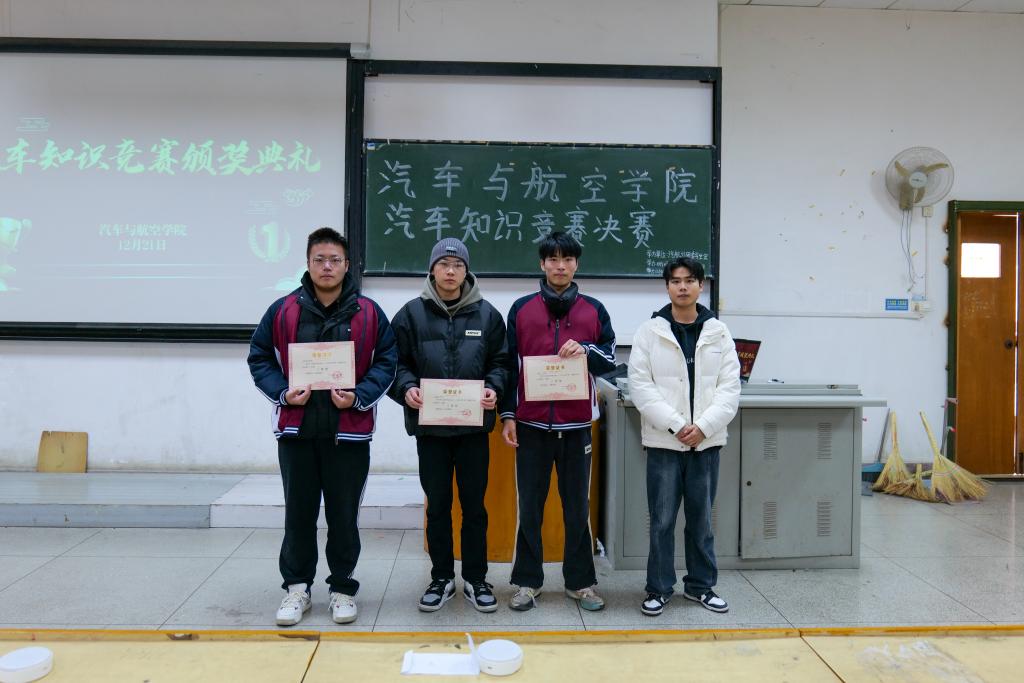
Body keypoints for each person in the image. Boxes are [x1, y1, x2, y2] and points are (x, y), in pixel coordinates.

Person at [248, 227, 397, 627]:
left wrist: (359, 396)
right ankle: (297, 588)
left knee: (344, 516)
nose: (327, 266)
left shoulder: (369, 312)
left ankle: (343, 588)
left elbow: (387, 362)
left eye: (335, 260)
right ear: (308, 263)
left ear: (347, 265)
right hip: (297, 432)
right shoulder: (283, 310)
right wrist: (283, 393)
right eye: (319, 260)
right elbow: (259, 357)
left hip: (348, 432)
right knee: (298, 514)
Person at [389, 237, 509, 613]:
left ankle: (475, 577)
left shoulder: (488, 315)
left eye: (458, 265)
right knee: (438, 507)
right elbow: (394, 363)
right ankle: (441, 578)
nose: (451, 271)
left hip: (473, 431)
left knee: (474, 507)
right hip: (431, 432)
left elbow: (502, 362)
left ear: (467, 271)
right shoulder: (410, 314)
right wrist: (406, 388)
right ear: (433, 270)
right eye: (444, 264)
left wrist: (494, 388)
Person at [499, 231, 617, 612]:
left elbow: (610, 360)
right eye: (553, 259)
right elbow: (507, 366)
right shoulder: (521, 309)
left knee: (577, 508)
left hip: (577, 427)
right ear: (542, 264)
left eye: (567, 259)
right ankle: (527, 582)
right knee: (530, 509)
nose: (560, 266)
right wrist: (508, 415)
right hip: (531, 426)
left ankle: (580, 583)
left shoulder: (594, 310)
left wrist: (586, 350)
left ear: (576, 264)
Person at [627, 256, 740, 617]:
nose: (682, 287)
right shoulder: (649, 332)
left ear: (700, 285)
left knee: (701, 520)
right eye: (675, 281)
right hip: (665, 442)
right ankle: (659, 588)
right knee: (661, 521)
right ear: (667, 287)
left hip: (706, 443)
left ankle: (700, 586)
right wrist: (677, 425)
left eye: (690, 280)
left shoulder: (719, 332)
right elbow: (641, 387)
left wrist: (703, 427)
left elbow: (729, 389)